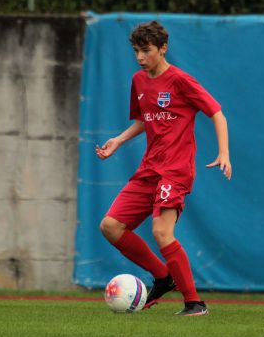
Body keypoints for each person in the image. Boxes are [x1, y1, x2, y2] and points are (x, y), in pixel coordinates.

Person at [96, 20, 231, 316]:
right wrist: (118, 141)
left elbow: (217, 113)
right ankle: (162, 276)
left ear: (163, 48)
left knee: (161, 231)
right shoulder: (139, 81)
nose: (141, 57)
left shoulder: (181, 81)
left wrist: (223, 152)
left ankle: (194, 303)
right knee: (110, 226)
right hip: (149, 169)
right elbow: (145, 121)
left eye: (146, 51)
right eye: (136, 51)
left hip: (176, 170)